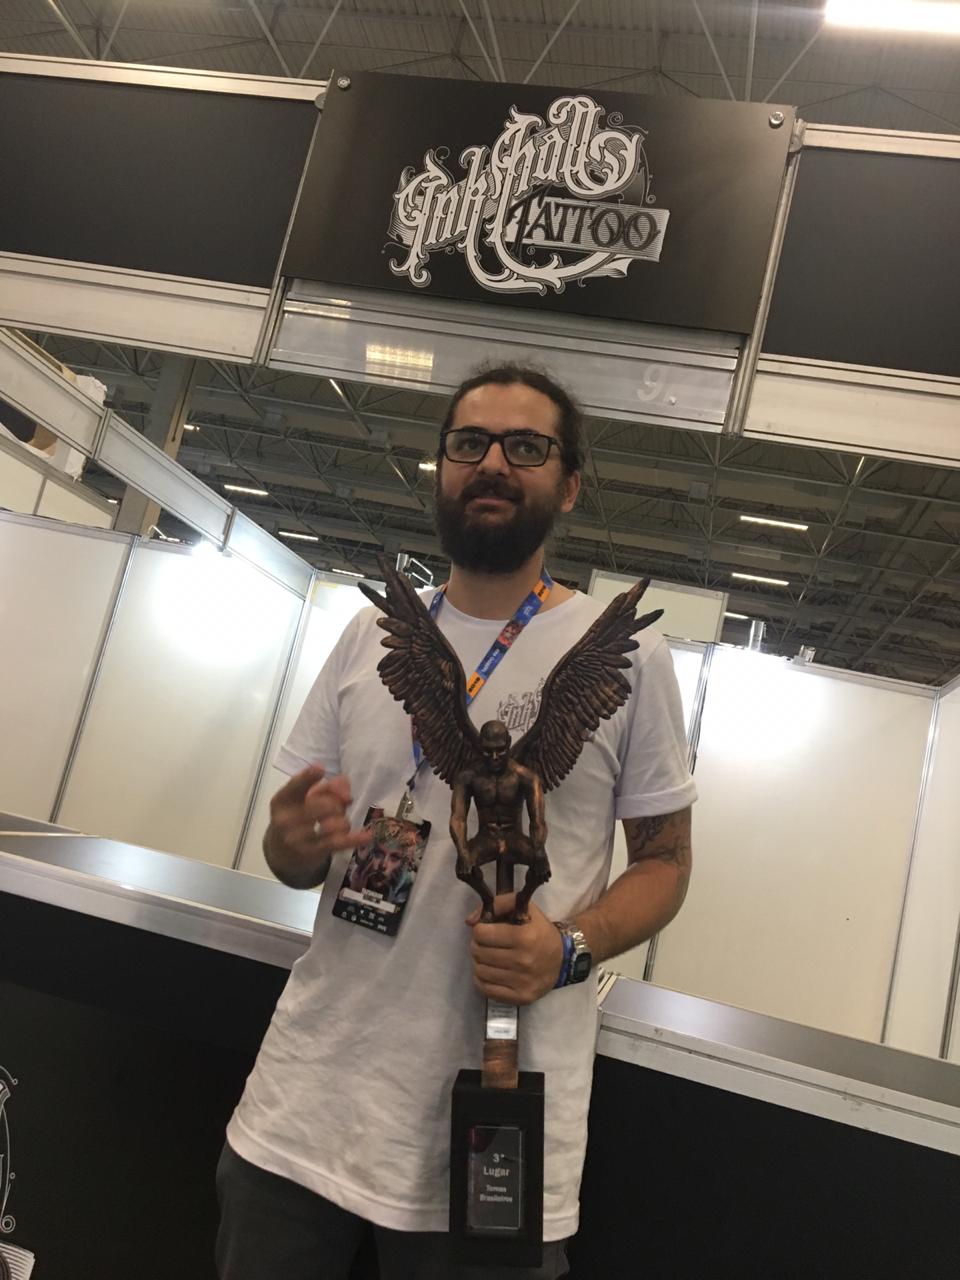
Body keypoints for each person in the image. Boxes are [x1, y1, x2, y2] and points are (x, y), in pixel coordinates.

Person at [216, 364, 696, 1280]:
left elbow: (667, 863)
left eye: (526, 446)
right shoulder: (370, 636)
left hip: (491, 1130)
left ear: (569, 484)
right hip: (300, 1115)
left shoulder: (631, 659)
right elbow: (294, 860)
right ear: (442, 467)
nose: (493, 463)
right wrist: (291, 842)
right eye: (470, 443)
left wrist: (569, 949)